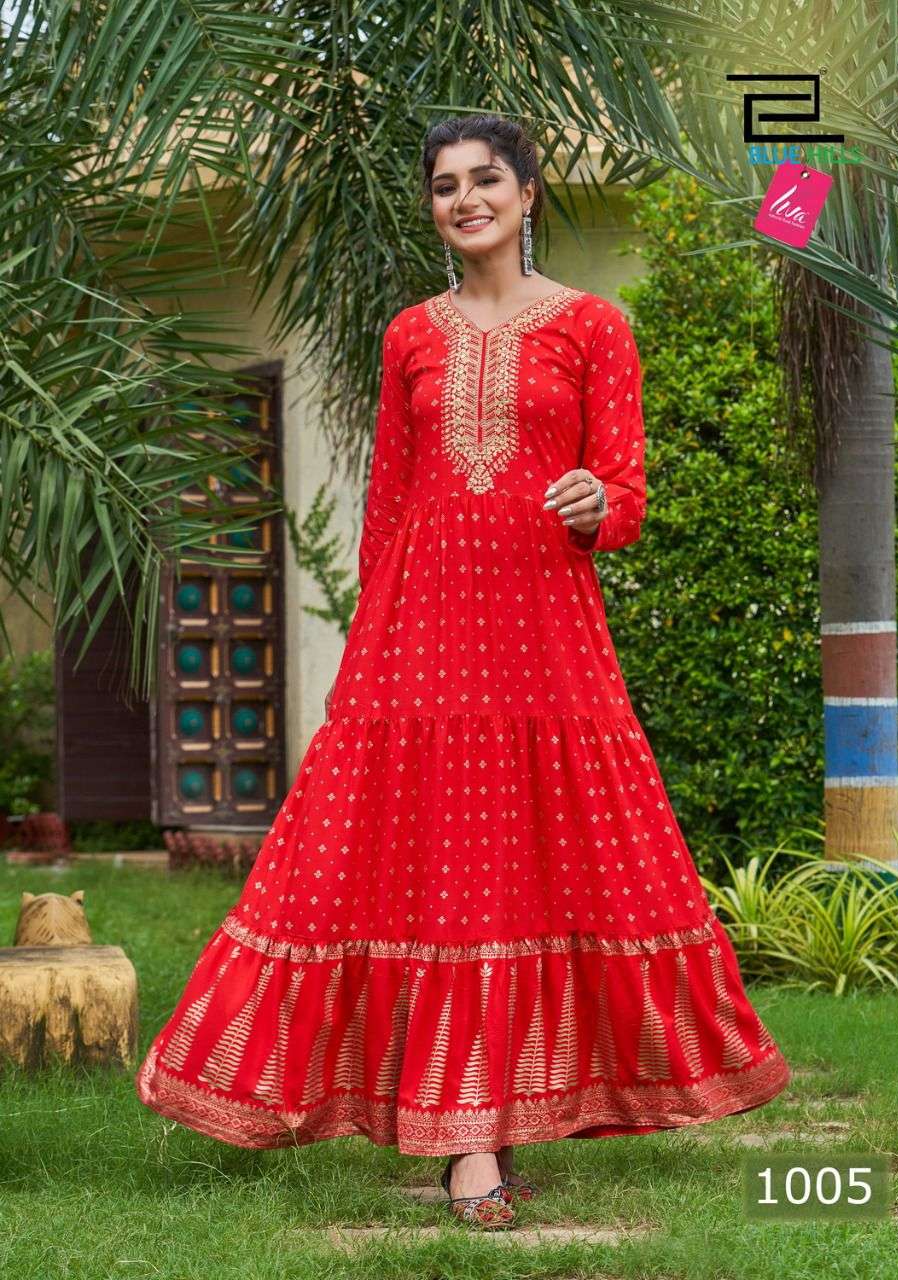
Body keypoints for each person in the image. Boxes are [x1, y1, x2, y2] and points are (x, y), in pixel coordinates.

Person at [135, 112, 790, 1231]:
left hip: (544, 628)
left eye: (486, 179)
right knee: (436, 864)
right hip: (425, 631)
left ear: (529, 193)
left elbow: (627, 491)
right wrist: (366, 653)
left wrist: (597, 503)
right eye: (445, 186)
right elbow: (390, 502)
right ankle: (467, 1138)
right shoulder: (410, 336)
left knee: (544, 859)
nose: (466, 199)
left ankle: (506, 1106)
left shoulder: (594, 326)